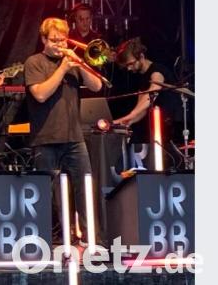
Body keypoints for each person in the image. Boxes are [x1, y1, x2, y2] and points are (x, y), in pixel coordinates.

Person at [24, 17, 102, 245]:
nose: (59, 45)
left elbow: (97, 86)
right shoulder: (34, 62)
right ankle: (51, 239)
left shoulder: (70, 61)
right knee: (48, 194)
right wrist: (63, 69)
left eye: (63, 40)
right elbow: (40, 94)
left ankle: (90, 239)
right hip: (46, 138)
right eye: (54, 40)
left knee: (85, 187)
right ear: (43, 40)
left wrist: (80, 65)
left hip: (74, 138)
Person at [113, 37, 184, 146]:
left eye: (130, 64)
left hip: (173, 126)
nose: (129, 68)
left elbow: (151, 93)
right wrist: (127, 122)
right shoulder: (142, 77)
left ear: (141, 56)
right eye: (126, 66)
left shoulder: (156, 72)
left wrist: (130, 115)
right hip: (159, 125)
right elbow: (142, 109)